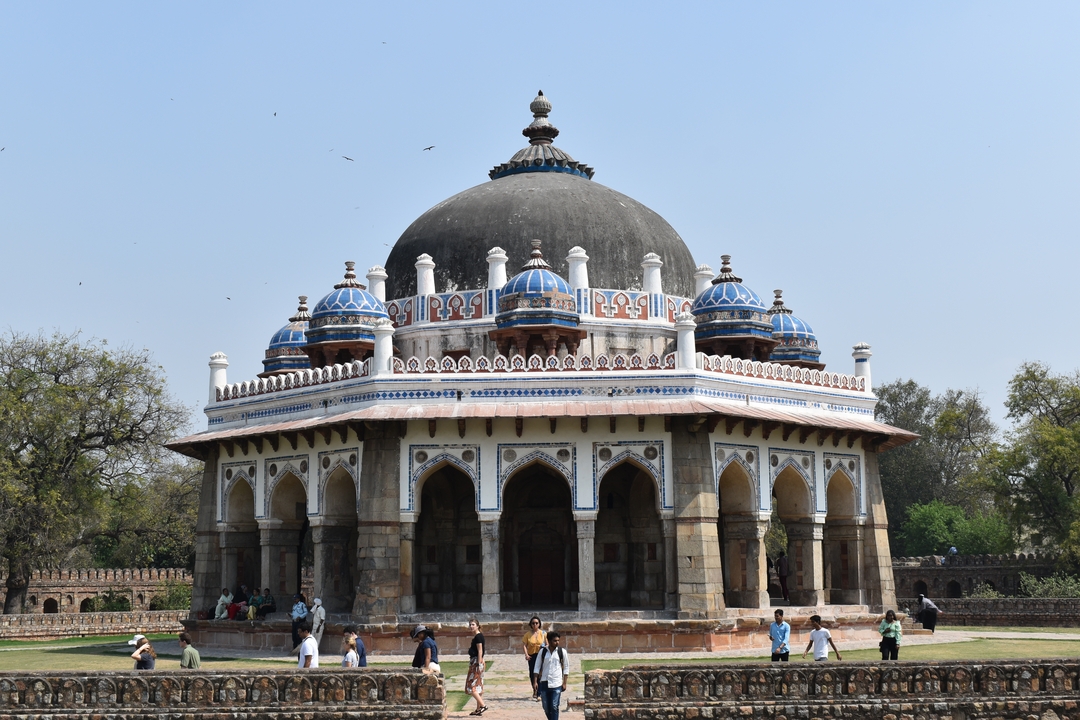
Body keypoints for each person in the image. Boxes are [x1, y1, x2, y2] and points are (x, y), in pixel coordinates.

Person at [533, 630, 569, 720]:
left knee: (554, 706)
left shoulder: (562, 652)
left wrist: (564, 683)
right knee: (546, 707)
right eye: (555, 641)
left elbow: (566, 668)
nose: (557, 642)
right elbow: (537, 667)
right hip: (544, 682)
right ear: (548, 641)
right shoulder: (543, 652)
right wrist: (535, 682)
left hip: (556, 683)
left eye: (558, 640)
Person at [466, 617, 488, 716]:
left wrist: (478, 664)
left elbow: (480, 650)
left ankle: (483, 706)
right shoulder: (477, 636)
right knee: (478, 686)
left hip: (476, 662)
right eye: (470, 624)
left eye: (473, 624)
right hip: (476, 661)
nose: (471, 626)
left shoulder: (478, 637)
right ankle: (478, 709)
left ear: (477, 626)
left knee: (471, 686)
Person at [523, 616, 547, 701]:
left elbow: (547, 644)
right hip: (532, 655)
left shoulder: (543, 633)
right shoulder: (528, 634)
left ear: (539, 624)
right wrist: (526, 654)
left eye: (536, 623)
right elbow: (525, 645)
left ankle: (539, 692)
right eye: (533, 623)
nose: (535, 625)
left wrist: (544, 647)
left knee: (540, 673)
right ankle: (534, 689)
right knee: (532, 673)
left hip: (540, 655)